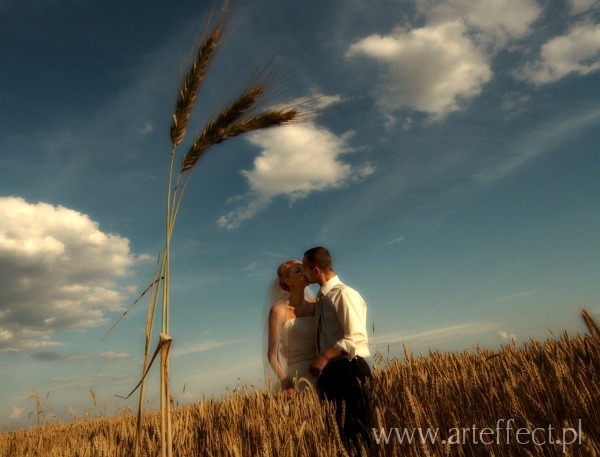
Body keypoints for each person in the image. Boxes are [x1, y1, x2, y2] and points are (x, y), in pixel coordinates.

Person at [302, 246, 372, 453]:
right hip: (331, 375)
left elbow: (356, 336)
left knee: (358, 438)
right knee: (340, 439)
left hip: (349, 372)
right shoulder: (323, 299)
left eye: (304, 268)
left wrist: (325, 355)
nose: (304, 274)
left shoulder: (343, 294)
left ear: (315, 270)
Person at [264, 259, 316, 391]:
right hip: (299, 376)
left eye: (304, 268)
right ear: (287, 280)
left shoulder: (317, 304)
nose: (304, 272)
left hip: (324, 370)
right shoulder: (278, 310)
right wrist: (285, 381)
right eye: (298, 270)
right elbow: (271, 354)